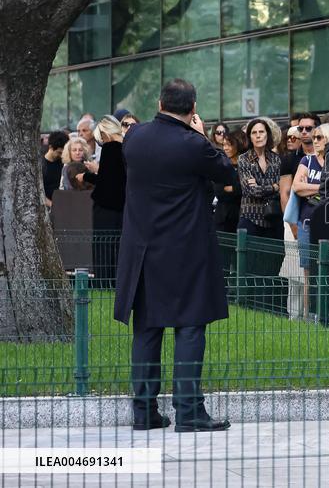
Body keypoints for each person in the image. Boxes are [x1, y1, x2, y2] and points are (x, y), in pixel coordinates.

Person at [113, 78, 232, 432]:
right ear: (193, 108)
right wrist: (202, 136)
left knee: (147, 329)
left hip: (143, 251)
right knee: (190, 326)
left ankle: (144, 411)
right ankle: (189, 411)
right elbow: (226, 171)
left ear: (159, 103)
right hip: (186, 251)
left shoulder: (134, 137)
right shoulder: (193, 145)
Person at [291, 123, 329, 320]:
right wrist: (323, 187)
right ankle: (309, 315)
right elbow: (297, 187)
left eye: (319, 137)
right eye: (314, 137)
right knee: (308, 271)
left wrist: (310, 187)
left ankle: (328, 314)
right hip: (307, 222)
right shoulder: (307, 160)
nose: (314, 141)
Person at [80, 116, 127, 285]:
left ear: (104, 134)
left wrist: (86, 176)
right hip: (123, 207)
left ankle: (103, 281)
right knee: (118, 246)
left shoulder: (110, 149)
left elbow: (106, 181)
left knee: (102, 246)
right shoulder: (127, 148)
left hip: (105, 207)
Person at [238, 118, 283, 243]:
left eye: (261, 132)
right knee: (247, 255)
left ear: (267, 135)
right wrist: (273, 186)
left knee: (275, 255)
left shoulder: (277, 159)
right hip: (250, 218)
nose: (258, 136)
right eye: (254, 132)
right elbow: (252, 191)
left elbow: (282, 188)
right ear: (249, 137)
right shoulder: (243, 159)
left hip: (273, 218)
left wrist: (260, 185)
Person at [214, 130, 247, 234]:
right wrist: (239, 188)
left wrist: (233, 188)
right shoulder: (221, 165)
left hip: (242, 216)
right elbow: (219, 191)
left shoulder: (248, 165)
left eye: (229, 145)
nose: (225, 148)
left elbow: (248, 189)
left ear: (238, 144)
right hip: (223, 218)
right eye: (224, 145)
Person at [42, 130, 69, 206]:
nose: (61, 156)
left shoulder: (65, 163)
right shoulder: (41, 166)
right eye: (59, 152)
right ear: (50, 147)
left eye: (64, 153)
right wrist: (53, 205)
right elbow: (38, 191)